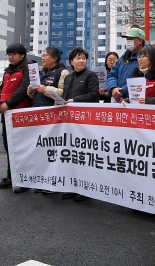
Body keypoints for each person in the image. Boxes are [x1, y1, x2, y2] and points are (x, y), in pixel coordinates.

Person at [28, 47, 68, 194]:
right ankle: (43, 181)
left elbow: (63, 93)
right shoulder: (40, 73)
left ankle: (54, 183)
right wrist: (31, 91)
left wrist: (46, 89)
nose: (43, 58)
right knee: (41, 150)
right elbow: (34, 95)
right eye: (42, 55)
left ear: (55, 58)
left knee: (53, 151)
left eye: (45, 55)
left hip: (53, 116)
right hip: (39, 115)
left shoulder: (62, 72)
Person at [62, 47, 100, 201]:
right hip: (70, 121)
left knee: (85, 156)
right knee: (72, 155)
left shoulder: (91, 75)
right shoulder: (68, 77)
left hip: (85, 121)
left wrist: (76, 101)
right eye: (78, 58)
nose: (81, 61)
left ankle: (85, 189)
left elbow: (94, 94)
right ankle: (72, 186)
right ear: (71, 61)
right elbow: (65, 96)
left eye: (83, 58)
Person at [0, 42, 31, 193]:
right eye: (9, 54)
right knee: (8, 146)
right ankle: (11, 176)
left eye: (14, 54)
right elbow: (2, 89)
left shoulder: (27, 68)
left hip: (20, 113)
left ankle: (25, 179)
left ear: (22, 55)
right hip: (7, 114)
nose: (10, 57)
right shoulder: (7, 71)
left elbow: (24, 89)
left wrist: (8, 103)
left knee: (21, 147)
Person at [106, 26, 146, 103]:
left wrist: (121, 92)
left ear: (140, 41)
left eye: (131, 39)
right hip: (117, 99)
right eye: (127, 39)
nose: (128, 42)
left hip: (134, 101)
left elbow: (142, 80)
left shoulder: (146, 58)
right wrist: (113, 88)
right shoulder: (122, 59)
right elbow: (112, 75)